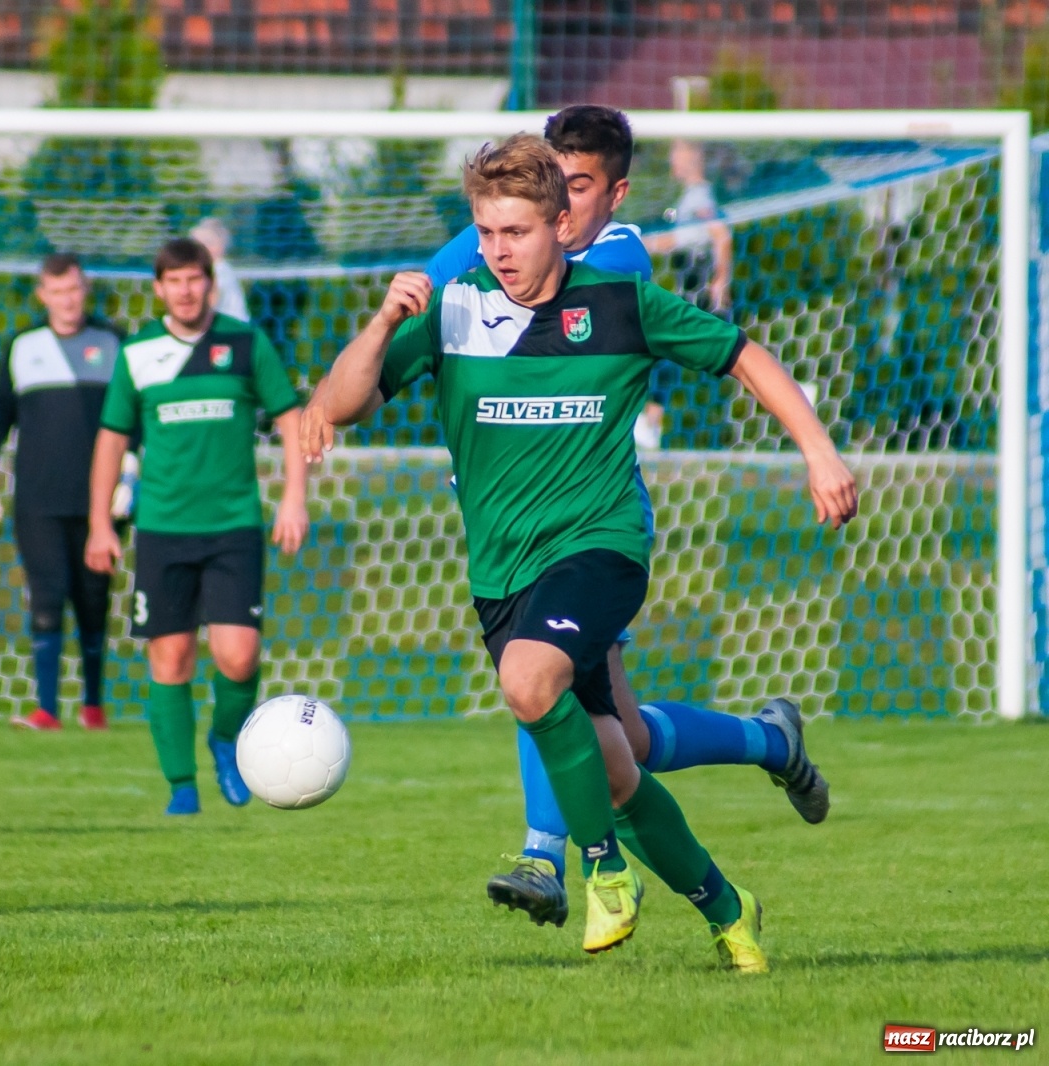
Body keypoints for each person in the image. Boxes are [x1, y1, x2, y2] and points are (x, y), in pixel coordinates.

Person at [305, 135, 858, 970]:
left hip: (602, 546)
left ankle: (601, 871)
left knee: (528, 680)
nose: (498, 252)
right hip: (503, 573)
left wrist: (817, 450)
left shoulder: (622, 301)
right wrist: (384, 322)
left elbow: (743, 356)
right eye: (486, 234)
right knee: (615, 766)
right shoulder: (453, 310)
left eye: (516, 234)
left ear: (562, 225)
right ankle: (726, 904)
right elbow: (342, 404)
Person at [421, 106, 828, 931]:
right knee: (625, 742)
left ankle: (547, 855)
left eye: (575, 188)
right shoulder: (499, 253)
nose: (558, 211)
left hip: (588, 525)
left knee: (541, 679)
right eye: (548, 186)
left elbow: (724, 347)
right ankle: (769, 744)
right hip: (509, 523)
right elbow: (436, 295)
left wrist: (818, 450)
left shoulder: (616, 257)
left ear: (614, 194)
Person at [85, 238, 308, 816]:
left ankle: (226, 738)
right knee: (172, 658)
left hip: (234, 523)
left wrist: (293, 500)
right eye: (174, 281)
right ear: (159, 288)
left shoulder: (244, 342)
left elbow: (289, 417)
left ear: (210, 283)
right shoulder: (137, 354)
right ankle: (181, 787)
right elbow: (111, 439)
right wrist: (99, 526)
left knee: (238, 657)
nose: (185, 291)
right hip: (161, 528)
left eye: (195, 279)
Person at [0, 252, 130, 731]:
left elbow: (132, 417)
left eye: (75, 289)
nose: (67, 299)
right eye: (57, 291)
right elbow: (0, 411)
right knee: (46, 596)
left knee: (94, 599)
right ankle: (47, 708)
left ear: (86, 289)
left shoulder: (113, 342)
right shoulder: (23, 345)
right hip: (37, 499)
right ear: (43, 295)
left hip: (101, 501)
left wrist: (131, 472)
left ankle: (94, 706)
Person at [643, 139, 734, 316]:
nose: (672, 160)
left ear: (692, 158)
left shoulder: (700, 197)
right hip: (691, 279)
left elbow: (720, 232)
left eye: (676, 155)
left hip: (700, 280)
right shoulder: (690, 195)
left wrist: (721, 278)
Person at [190, 218, 251, 323]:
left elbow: (211, 300)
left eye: (207, 243)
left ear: (221, 245)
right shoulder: (220, 268)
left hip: (232, 329)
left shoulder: (219, 270)